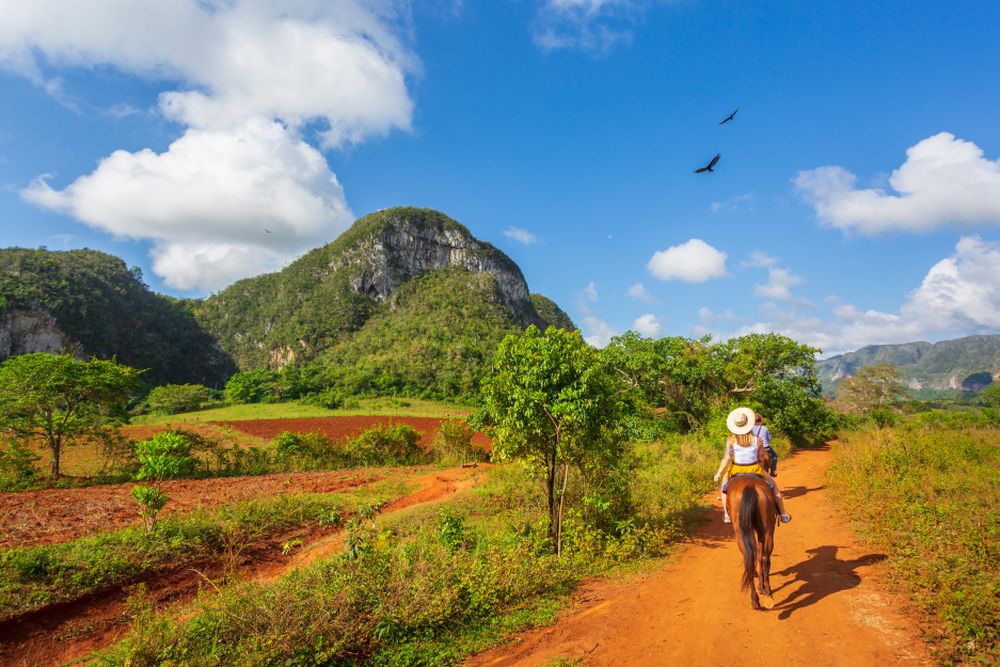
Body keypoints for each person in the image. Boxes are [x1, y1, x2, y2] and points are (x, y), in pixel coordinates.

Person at [713, 407, 791, 524]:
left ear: (735, 425)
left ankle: (726, 514)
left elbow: (727, 458)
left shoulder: (731, 439)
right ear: (748, 424)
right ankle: (783, 513)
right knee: (774, 485)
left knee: (724, 486)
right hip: (754, 468)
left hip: (736, 469)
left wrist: (719, 473)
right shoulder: (757, 439)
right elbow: (760, 458)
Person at [752, 412, 778, 476]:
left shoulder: (750, 428)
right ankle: (772, 470)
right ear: (761, 420)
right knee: (775, 456)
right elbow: (769, 438)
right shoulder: (765, 428)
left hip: (754, 447)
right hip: (765, 447)